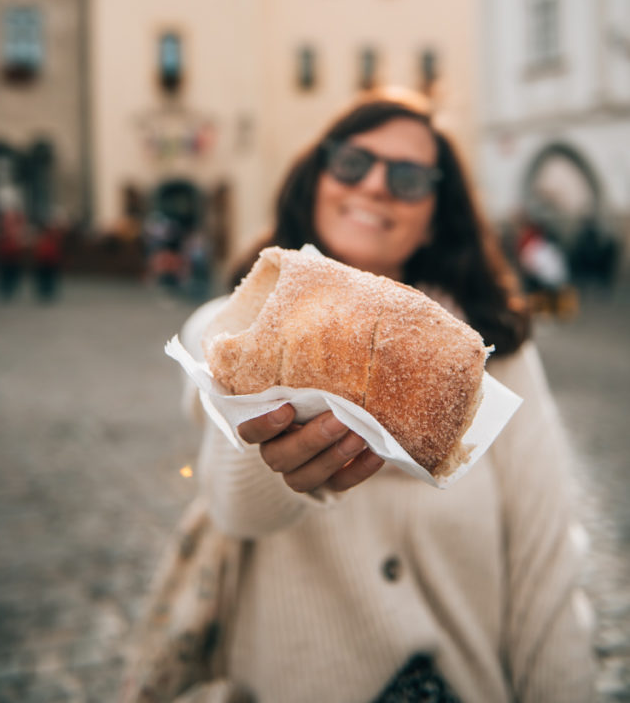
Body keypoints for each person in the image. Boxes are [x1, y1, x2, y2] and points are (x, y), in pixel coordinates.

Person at [179, 87, 595, 703]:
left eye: (407, 177)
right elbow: (234, 508)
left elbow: (546, 566)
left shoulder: (496, 359)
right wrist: (273, 456)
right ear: (317, 177)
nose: (374, 185)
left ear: (436, 212)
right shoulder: (236, 321)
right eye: (351, 162)